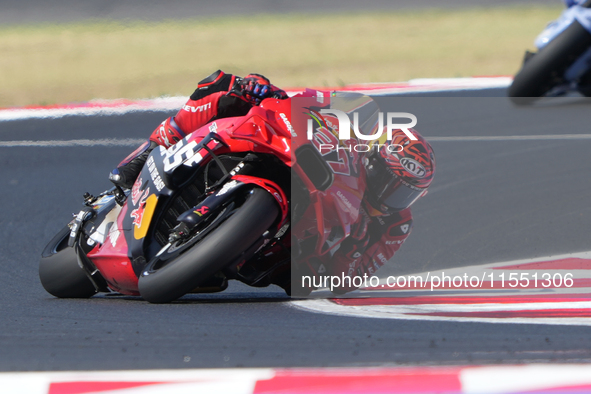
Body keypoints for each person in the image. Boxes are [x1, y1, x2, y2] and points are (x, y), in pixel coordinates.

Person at [109, 70, 288, 189]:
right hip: (248, 136)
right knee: (224, 86)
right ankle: (145, 157)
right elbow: (259, 83)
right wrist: (256, 87)